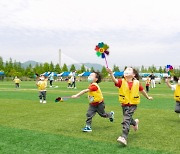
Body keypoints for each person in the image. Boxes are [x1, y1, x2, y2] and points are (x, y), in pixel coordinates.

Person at [106, 67, 153, 146]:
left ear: (133, 75)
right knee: (128, 118)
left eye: (129, 70)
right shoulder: (121, 82)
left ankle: (124, 137)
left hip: (133, 104)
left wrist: (148, 97)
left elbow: (142, 91)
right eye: (126, 70)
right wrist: (111, 73)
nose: (127, 71)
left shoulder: (137, 83)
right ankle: (135, 123)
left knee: (126, 119)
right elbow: (115, 81)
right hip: (124, 104)